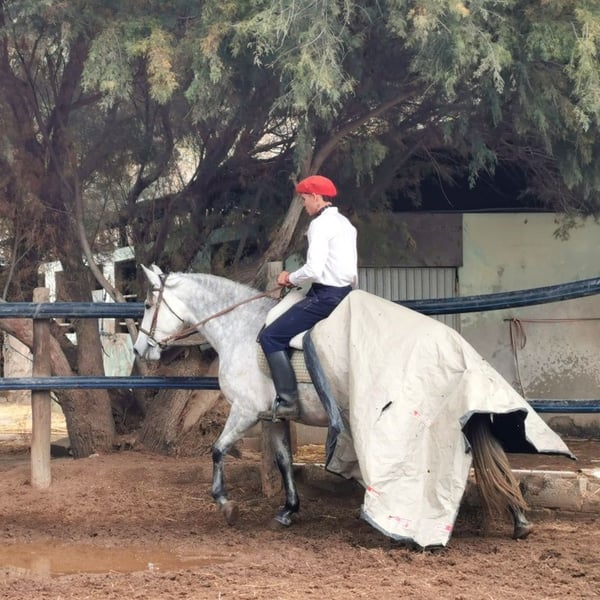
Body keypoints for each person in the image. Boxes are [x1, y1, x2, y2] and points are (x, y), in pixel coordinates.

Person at [258, 175, 358, 421]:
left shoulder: (319, 225)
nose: (304, 205)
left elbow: (313, 269)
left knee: (270, 336)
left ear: (315, 197)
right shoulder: (345, 224)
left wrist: (289, 278)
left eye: (304, 200)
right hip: (345, 294)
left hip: (326, 297)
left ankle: (288, 402)